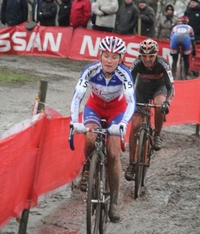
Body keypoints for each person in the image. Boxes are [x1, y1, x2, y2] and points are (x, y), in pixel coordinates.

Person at [70, 36, 136, 222]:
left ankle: (113, 202)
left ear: (121, 59)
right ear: (100, 55)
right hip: (95, 108)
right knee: (90, 138)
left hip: (117, 111)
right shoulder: (90, 70)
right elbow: (77, 97)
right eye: (106, 55)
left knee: (114, 154)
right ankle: (87, 168)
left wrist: (123, 124)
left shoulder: (124, 73)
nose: (109, 60)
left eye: (114, 57)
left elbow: (132, 101)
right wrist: (75, 121)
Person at [125, 38, 174, 181]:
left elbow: (171, 87)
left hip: (159, 88)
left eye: (150, 56)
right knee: (135, 126)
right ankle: (132, 164)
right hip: (142, 91)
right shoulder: (137, 64)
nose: (147, 59)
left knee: (159, 105)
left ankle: (157, 134)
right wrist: (129, 101)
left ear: (156, 55)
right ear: (140, 55)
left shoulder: (162, 64)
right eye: (144, 56)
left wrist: (167, 103)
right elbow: (128, 85)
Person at [170, 15, 196, 80]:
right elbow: (192, 41)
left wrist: (172, 52)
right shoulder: (190, 28)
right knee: (186, 59)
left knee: (174, 59)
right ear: (187, 21)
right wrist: (194, 51)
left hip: (174, 40)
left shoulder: (175, 27)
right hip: (186, 40)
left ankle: (173, 75)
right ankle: (187, 74)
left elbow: (171, 39)